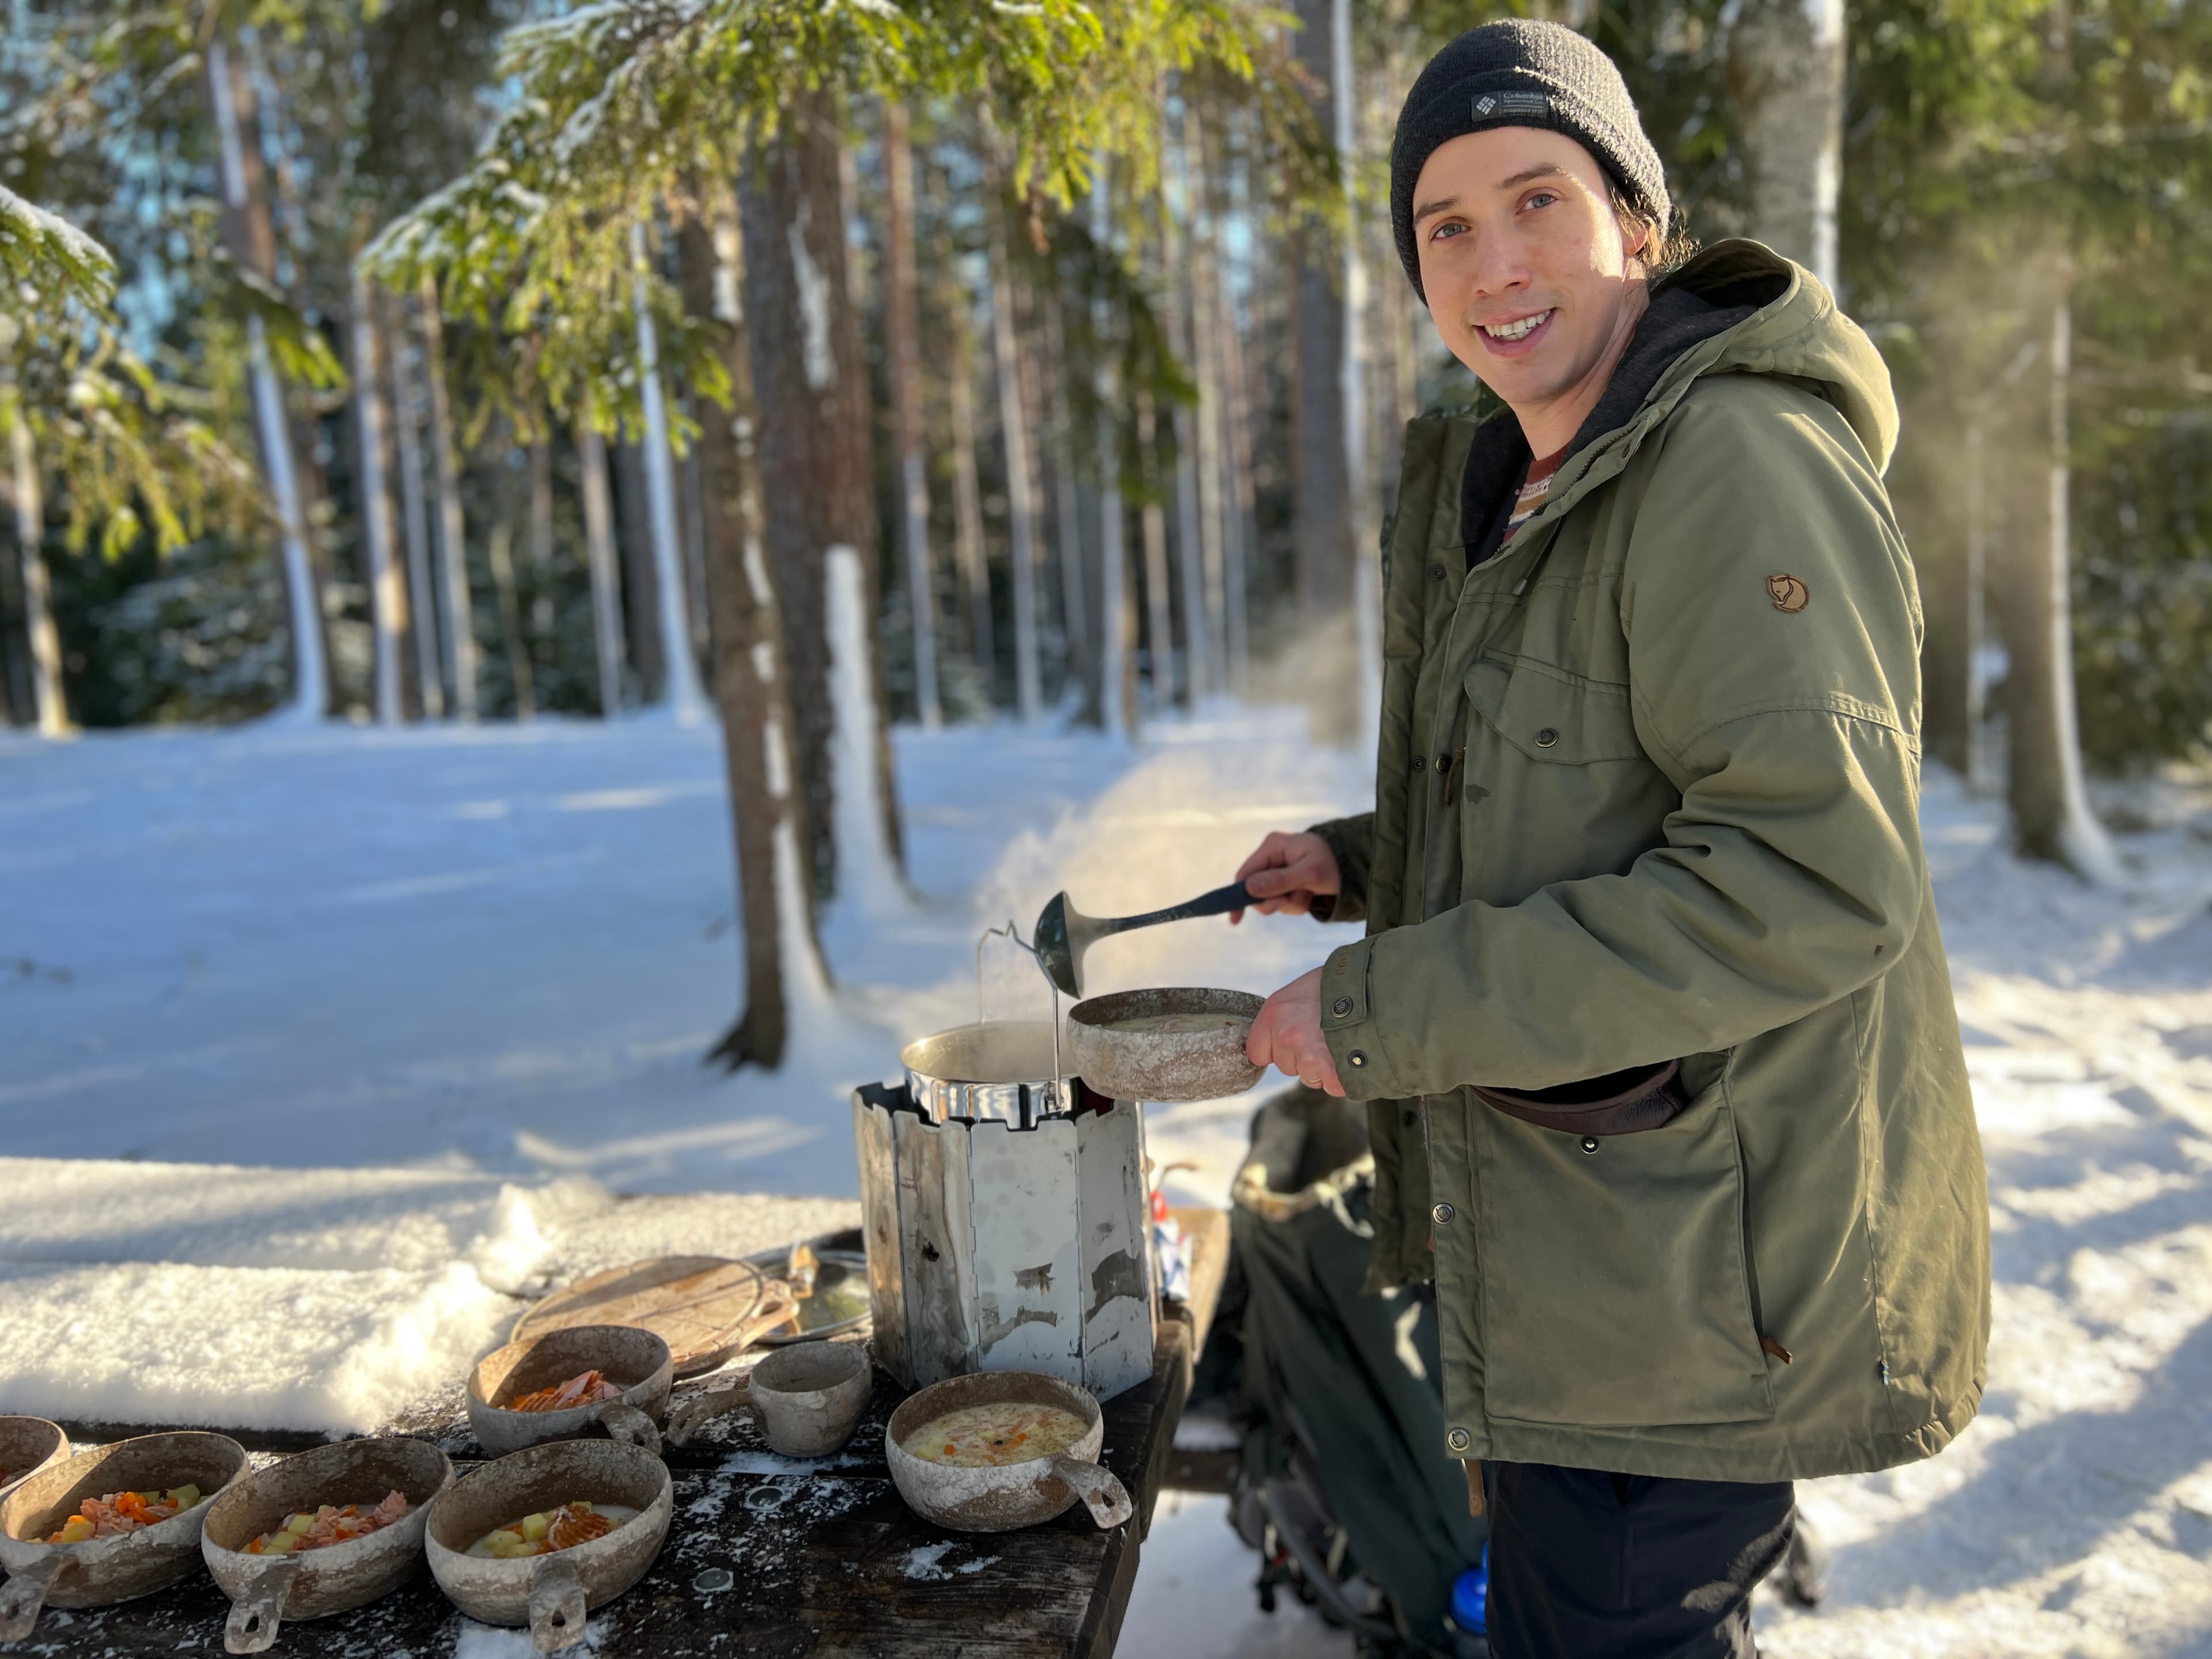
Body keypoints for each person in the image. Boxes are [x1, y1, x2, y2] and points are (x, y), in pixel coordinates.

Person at [1232, 20, 1991, 1657]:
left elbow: (1805, 880)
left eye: (1538, 201)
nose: (1495, 262)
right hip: (1584, 1268)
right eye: (1446, 225)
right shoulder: (1543, 471)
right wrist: (1362, 860)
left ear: (1636, 222)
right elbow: (1592, 775)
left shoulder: (1734, 466)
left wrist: (1378, 1011)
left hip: (1695, 1296)